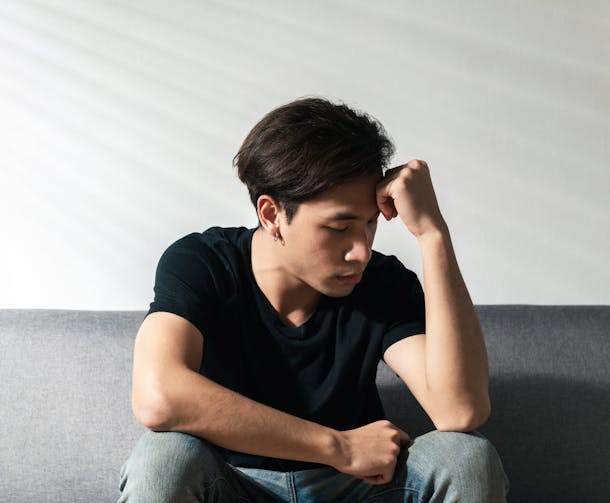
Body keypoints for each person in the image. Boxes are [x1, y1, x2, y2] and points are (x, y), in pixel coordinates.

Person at [118, 97, 508, 502]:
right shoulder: (204, 263)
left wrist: (432, 234)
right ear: (271, 215)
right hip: (234, 485)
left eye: (370, 224)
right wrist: (337, 446)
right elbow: (157, 396)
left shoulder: (382, 283)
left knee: (466, 456)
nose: (360, 250)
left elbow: (458, 411)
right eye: (339, 228)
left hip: (358, 490)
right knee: (162, 457)